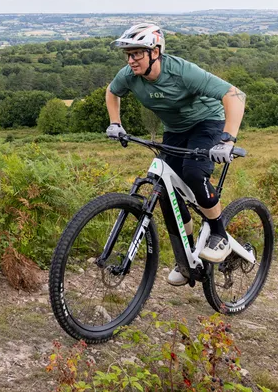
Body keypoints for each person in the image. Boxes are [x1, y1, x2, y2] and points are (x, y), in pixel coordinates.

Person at [103, 22, 246, 284]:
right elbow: (112, 92)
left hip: (207, 124)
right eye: (128, 54)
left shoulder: (182, 72)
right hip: (176, 130)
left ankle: (219, 234)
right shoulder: (129, 75)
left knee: (193, 173)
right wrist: (116, 123)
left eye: (137, 53)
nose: (131, 60)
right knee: (165, 190)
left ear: (155, 52)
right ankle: (187, 259)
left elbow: (234, 94)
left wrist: (227, 140)